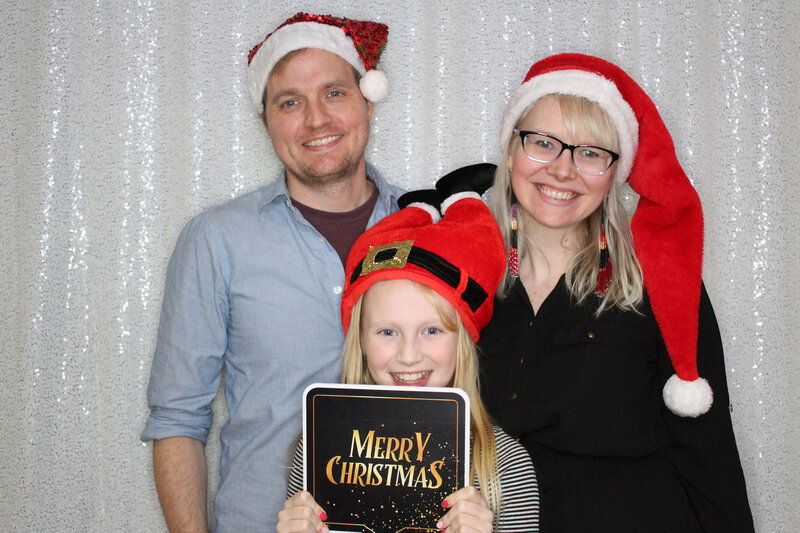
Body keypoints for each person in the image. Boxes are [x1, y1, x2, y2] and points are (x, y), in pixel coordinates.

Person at [141, 13, 404, 532]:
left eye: (334, 93)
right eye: (289, 102)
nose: (315, 120)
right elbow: (177, 418)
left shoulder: (432, 229)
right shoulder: (216, 240)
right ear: (265, 120)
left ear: (366, 103)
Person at [478, 53, 755, 532]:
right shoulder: (463, 273)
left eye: (590, 153)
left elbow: (707, 450)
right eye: (543, 143)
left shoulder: (659, 279)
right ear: (510, 150)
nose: (563, 171)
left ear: (614, 172)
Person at [276, 169, 540, 533]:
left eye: (431, 330)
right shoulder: (319, 451)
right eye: (388, 332)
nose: (409, 355)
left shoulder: (504, 465)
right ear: (361, 342)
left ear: (463, 340)